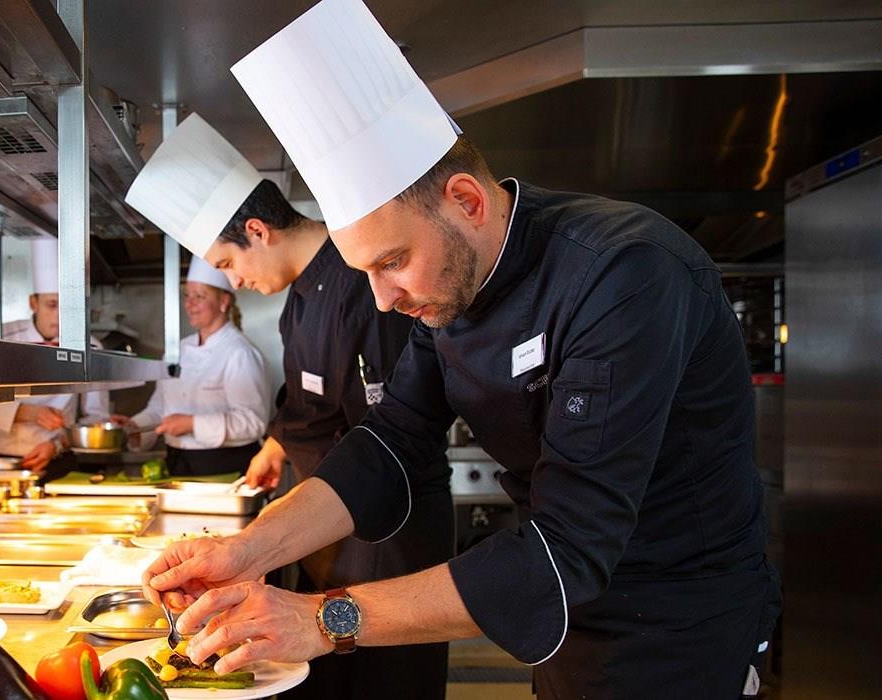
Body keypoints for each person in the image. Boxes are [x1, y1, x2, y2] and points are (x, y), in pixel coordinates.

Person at [144, 1, 781, 698]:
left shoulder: (623, 273)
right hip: (570, 617)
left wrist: (324, 620)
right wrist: (246, 550)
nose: (381, 300)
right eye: (365, 272)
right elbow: (392, 439)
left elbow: (569, 543)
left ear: (467, 202)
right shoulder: (448, 286)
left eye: (392, 261)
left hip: (681, 622)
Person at [125, 113, 448, 698]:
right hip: (328, 528)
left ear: (257, 231)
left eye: (228, 264)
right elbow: (309, 399)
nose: (234, 282)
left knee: (380, 686)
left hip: (386, 535)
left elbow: (390, 434)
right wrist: (278, 444)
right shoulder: (299, 294)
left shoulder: (360, 285)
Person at [0, 238, 109, 482]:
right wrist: (30, 413)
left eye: (68, 307)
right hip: (7, 462)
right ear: (33, 303)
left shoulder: (91, 346)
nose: (60, 316)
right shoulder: (2, 339)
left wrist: (58, 443)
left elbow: (97, 416)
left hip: (61, 459)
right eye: (52, 305)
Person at [113, 258, 271, 476]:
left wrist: (192, 424)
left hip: (226, 466)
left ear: (223, 302)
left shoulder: (240, 353)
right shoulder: (177, 351)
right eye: (187, 295)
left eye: (199, 296)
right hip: (178, 463)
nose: (189, 304)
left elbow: (253, 422)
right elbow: (160, 408)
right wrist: (134, 426)